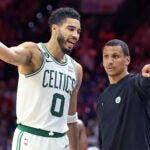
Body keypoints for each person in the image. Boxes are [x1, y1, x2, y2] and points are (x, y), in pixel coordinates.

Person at [0, 7, 83, 150]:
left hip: (60, 141)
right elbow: (10, 55)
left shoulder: (76, 69)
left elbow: (71, 119)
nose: (75, 35)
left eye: (78, 31)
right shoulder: (34, 53)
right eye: (71, 29)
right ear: (55, 28)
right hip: (31, 138)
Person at [97, 39, 150, 150]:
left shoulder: (136, 84)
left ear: (127, 60)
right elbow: (103, 140)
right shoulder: (102, 99)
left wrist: (146, 76)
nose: (109, 61)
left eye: (115, 56)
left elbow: (144, 82)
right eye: (106, 56)